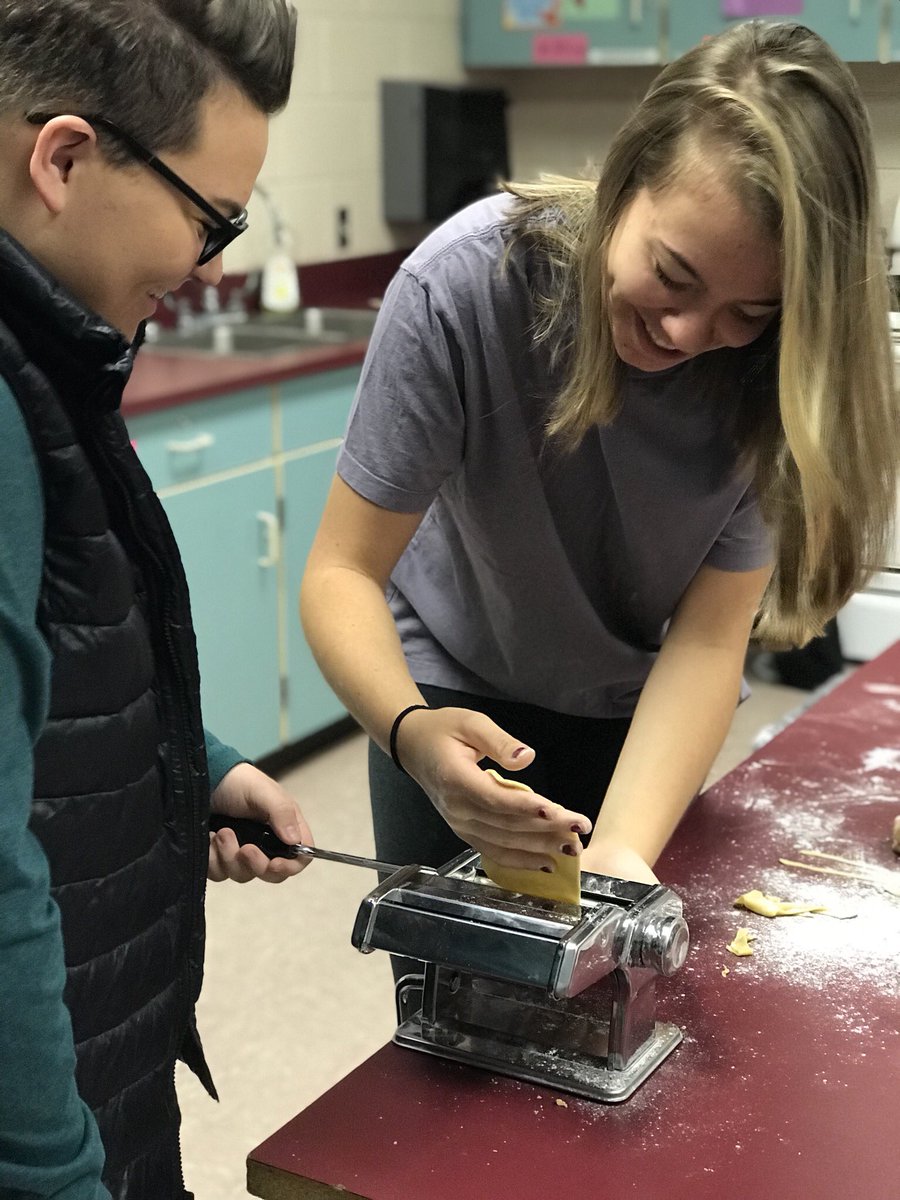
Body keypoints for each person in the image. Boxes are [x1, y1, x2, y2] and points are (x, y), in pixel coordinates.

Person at [301, 21, 898, 899]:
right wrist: (412, 733)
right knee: (454, 1008)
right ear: (624, 180)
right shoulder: (464, 288)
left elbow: (709, 637)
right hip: (449, 693)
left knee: (622, 976)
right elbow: (341, 571)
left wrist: (620, 855)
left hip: (646, 706)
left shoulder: (772, 374)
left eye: (748, 311)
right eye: (674, 274)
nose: (690, 335)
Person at [0, 2, 314, 1197]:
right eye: (210, 220)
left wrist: (192, 764)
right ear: (66, 158)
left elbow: (51, 666)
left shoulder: (47, 350)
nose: (214, 266)